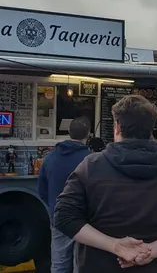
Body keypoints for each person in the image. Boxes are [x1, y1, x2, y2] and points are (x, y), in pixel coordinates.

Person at [54, 94, 157, 273]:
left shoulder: (90, 167)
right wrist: (152, 251)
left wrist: (115, 246)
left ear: (117, 127)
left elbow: (64, 217)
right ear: (151, 129)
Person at [37, 116, 91, 273]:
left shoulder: (50, 158)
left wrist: (55, 207)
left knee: (59, 264)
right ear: (88, 134)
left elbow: (42, 190)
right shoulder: (92, 159)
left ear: (69, 132)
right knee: (80, 265)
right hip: (84, 221)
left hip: (59, 218)